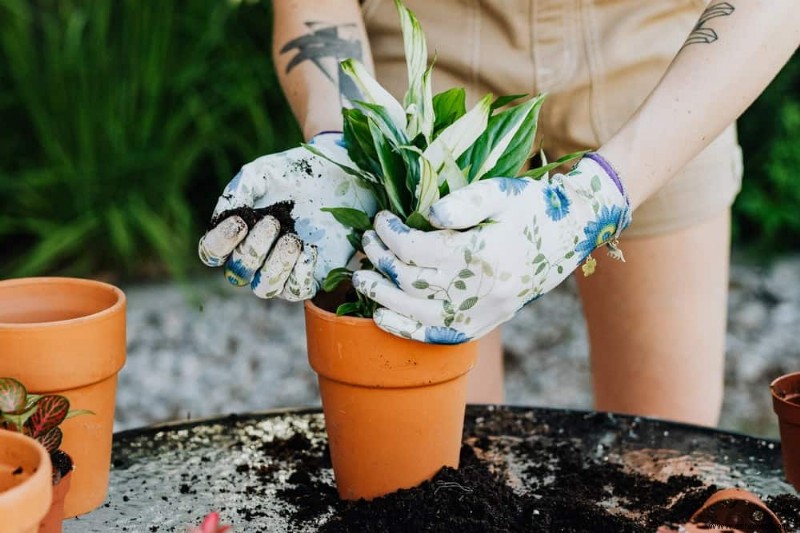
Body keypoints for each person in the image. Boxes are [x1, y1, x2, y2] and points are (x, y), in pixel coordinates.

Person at [198, 0, 799, 427]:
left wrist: (597, 196)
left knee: (667, 459)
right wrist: (342, 141)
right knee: (441, 475)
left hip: (665, 60)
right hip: (428, 64)